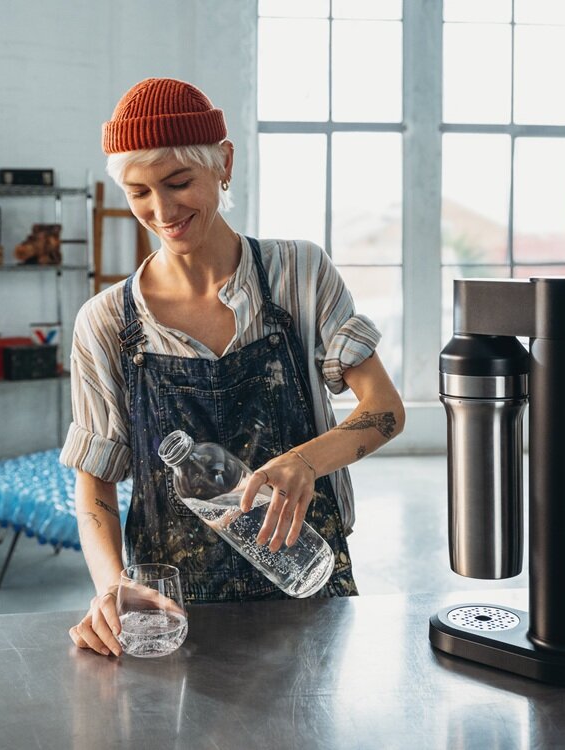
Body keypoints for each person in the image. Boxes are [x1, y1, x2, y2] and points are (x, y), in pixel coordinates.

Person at [62, 77, 405, 657]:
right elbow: (94, 479)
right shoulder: (106, 323)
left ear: (224, 163)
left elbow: (386, 411)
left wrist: (303, 462)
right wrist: (113, 587)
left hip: (311, 582)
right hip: (174, 612)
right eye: (138, 191)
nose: (161, 211)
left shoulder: (301, 274)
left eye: (178, 183)